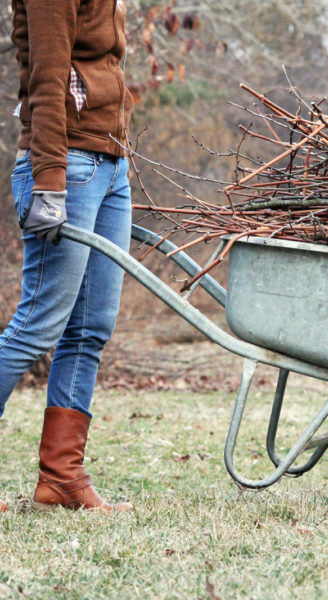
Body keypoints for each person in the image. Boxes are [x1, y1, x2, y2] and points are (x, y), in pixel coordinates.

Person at [1, 0, 134, 512]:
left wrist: (118, 158)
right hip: (64, 165)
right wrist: (49, 182)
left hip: (107, 166)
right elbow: (49, 78)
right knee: (38, 323)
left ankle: (61, 480)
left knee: (90, 327)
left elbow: (103, 72)